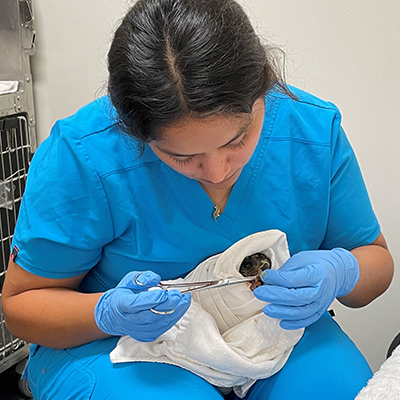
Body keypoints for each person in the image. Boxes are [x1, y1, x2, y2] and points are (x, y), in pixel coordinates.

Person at [2, 0, 394, 399]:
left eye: (238, 139)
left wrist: (342, 271)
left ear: (263, 91)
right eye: (182, 157)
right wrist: (105, 313)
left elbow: (374, 261)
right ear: (133, 132)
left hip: (268, 325)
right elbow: (22, 307)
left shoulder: (311, 129)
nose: (219, 171)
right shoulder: (84, 153)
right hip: (116, 344)